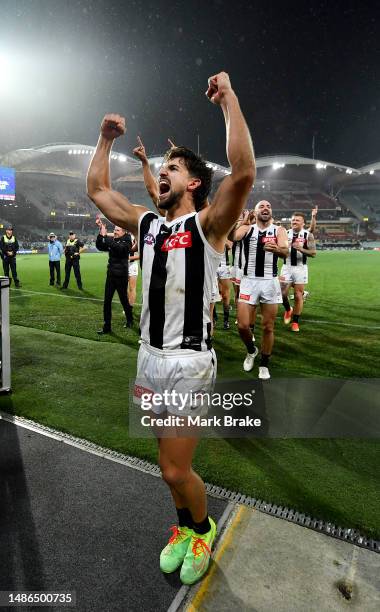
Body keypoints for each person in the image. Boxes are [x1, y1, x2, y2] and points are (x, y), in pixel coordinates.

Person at [87, 71, 255, 585]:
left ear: (195, 183)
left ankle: (201, 529)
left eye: (173, 168)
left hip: (187, 364)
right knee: (165, 464)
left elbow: (244, 172)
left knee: (176, 470)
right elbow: (97, 188)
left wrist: (228, 100)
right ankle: (184, 526)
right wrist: (105, 139)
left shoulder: (207, 226)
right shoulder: (146, 224)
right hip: (147, 358)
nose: (163, 173)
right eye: (162, 168)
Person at [234, 201, 288, 380]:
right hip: (249, 281)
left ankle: (264, 364)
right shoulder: (248, 229)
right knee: (242, 325)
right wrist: (244, 222)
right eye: (262, 207)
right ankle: (251, 351)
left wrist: (277, 249)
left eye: (269, 207)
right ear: (255, 212)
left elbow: (285, 252)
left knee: (268, 327)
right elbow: (233, 237)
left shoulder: (279, 230)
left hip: (270, 281)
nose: (266, 208)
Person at [96, 219, 133, 334]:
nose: (115, 232)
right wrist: (100, 233)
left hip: (121, 276)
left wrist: (106, 236)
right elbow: (100, 246)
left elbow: (120, 249)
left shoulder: (127, 240)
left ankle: (130, 319)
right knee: (107, 301)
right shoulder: (113, 240)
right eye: (114, 230)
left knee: (124, 300)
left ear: (124, 232)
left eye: (117, 230)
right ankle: (107, 327)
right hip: (111, 275)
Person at [281, 212, 316, 332]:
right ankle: (288, 309)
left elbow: (313, 253)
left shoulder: (308, 235)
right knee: (282, 294)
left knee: (298, 295)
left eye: (297, 220)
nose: (294, 222)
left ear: (303, 223)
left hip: (300, 268)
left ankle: (295, 322)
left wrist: (300, 248)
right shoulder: (285, 234)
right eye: (293, 220)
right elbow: (281, 250)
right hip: (286, 267)